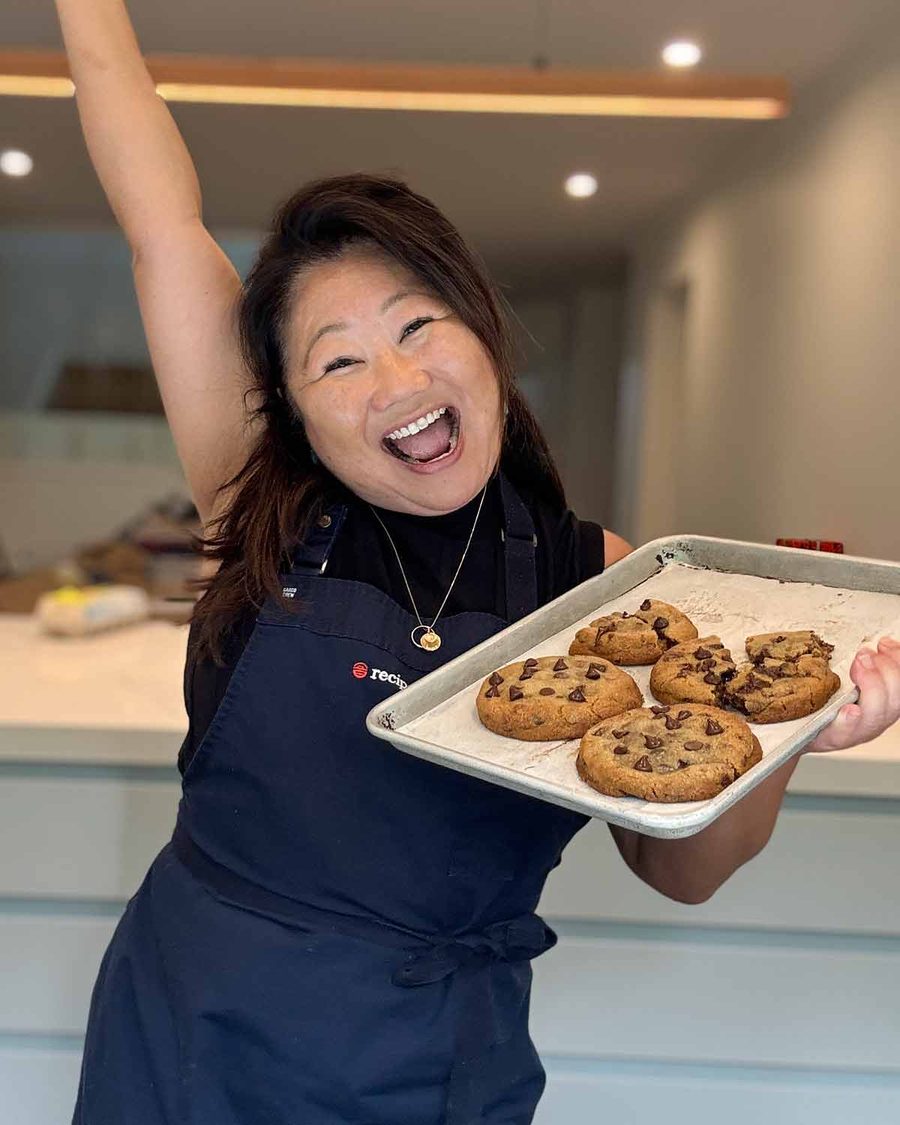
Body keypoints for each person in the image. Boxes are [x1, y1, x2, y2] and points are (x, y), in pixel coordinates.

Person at [55, 3, 900, 1123]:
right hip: (193, 1033)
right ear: (290, 412)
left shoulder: (607, 587)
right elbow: (160, 222)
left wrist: (786, 734)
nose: (397, 382)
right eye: (338, 361)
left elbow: (683, 868)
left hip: (439, 1061)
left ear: (483, 332)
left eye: (418, 327)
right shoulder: (259, 504)